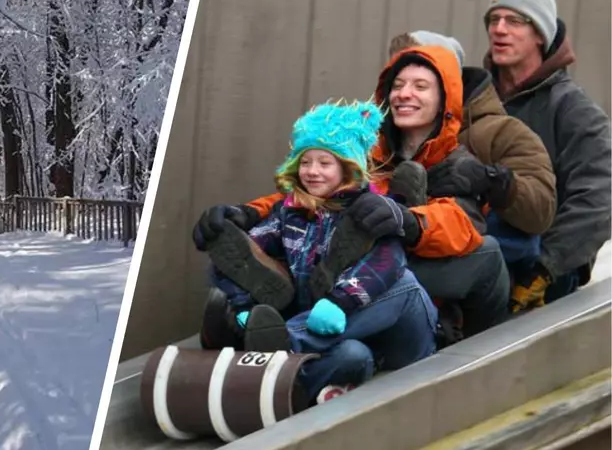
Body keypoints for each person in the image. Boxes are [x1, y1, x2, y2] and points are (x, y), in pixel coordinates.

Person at [196, 45, 511, 342]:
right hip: (339, 269)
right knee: (299, 226)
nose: (404, 94)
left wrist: (407, 220)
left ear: (445, 100)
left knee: (417, 262)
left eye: (420, 86)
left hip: (406, 279)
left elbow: (462, 224)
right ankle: (251, 313)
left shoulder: (458, 161)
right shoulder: (366, 149)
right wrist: (249, 213)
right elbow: (305, 193)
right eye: (398, 85)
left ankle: (280, 332)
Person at [205, 99, 437, 405]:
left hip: (400, 336)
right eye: (305, 162)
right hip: (344, 338)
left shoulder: (372, 212)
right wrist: (244, 305)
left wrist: (340, 301)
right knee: (353, 356)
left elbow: (387, 262)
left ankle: (285, 340)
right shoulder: (289, 214)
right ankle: (297, 387)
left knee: (406, 284)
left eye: (324, 163)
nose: (312, 171)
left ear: (347, 168)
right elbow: (243, 256)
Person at [481, 0, 611, 312]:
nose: (499, 29)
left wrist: (546, 267)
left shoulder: (573, 110)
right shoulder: (477, 100)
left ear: (540, 33)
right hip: (477, 249)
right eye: (494, 20)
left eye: (514, 21)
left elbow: (598, 198)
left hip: (543, 268)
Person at [386, 30, 556, 272]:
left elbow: (541, 211)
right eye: (397, 78)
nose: (404, 91)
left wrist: (490, 181)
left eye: (420, 81)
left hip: (480, 268)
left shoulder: (502, 132)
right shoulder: (380, 137)